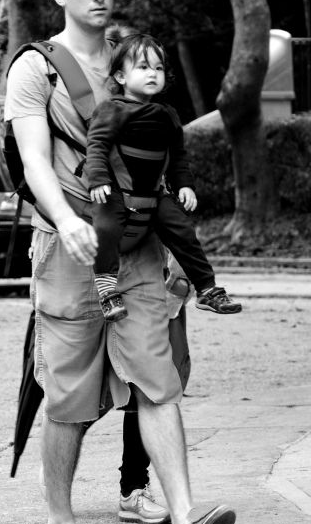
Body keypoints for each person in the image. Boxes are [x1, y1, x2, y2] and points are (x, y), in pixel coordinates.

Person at [4, 0, 236, 524]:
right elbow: (34, 162)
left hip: (138, 246)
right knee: (70, 395)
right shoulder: (35, 69)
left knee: (158, 380)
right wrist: (65, 219)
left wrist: (177, 239)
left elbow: (161, 153)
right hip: (69, 245)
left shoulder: (134, 60)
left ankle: (186, 516)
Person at [86, 33, 241, 322]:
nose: (153, 74)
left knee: (184, 231)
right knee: (104, 229)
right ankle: (107, 291)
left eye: (158, 68)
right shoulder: (111, 110)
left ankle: (207, 289)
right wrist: (98, 180)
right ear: (120, 76)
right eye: (143, 67)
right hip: (116, 192)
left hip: (155, 196)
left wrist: (184, 186)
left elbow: (177, 156)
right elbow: (96, 145)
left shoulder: (167, 114)